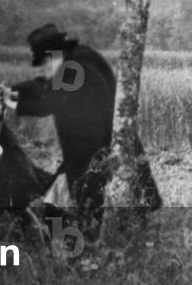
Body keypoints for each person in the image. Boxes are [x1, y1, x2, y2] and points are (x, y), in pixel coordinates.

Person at [10, 23, 116, 212]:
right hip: (91, 151)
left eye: (45, 61)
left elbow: (48, 104)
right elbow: (43, 85)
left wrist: (10, 103)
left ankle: (66, 240)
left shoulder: (72, 69)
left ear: (55, 54)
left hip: (92, 154)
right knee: (55, 205)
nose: (44, 67)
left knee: (73, 209)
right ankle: (61, 240)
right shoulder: (79, 57)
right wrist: (11, 91)